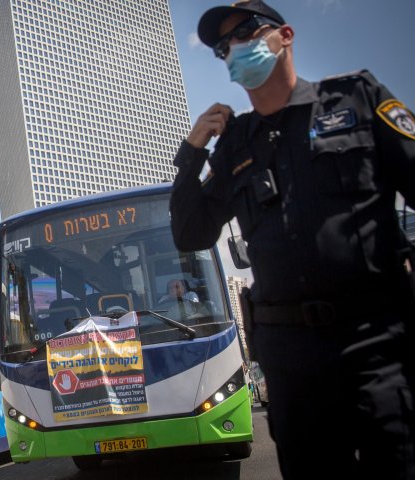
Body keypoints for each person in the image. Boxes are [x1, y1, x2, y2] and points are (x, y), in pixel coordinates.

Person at [170, 1, 415, 478]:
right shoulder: (235, 145)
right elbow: (190, 233)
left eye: (246, 31)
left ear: (285, 35)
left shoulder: (356, 100)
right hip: (292, 361)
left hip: (377, 342)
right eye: (223, 46)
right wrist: (192, 152)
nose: (235, 47)